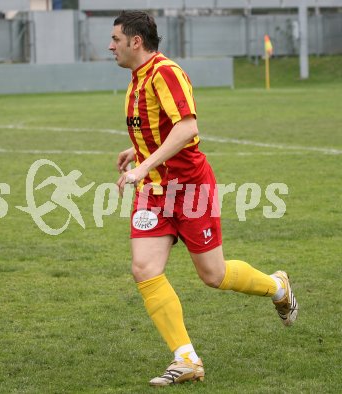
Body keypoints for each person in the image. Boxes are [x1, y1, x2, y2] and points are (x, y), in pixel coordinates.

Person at [108, 10, 299, 387]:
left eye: (115, 39)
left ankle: (278, 287)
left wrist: (144, 166)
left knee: (214, 275)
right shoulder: (136, 79)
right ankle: (186, 358)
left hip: (191, 188)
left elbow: (187, 127)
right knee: (144, 269)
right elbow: (160, 128)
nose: (109, 46)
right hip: (154, 193)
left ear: (136, 41)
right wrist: (139, 152)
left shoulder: (165, 72)